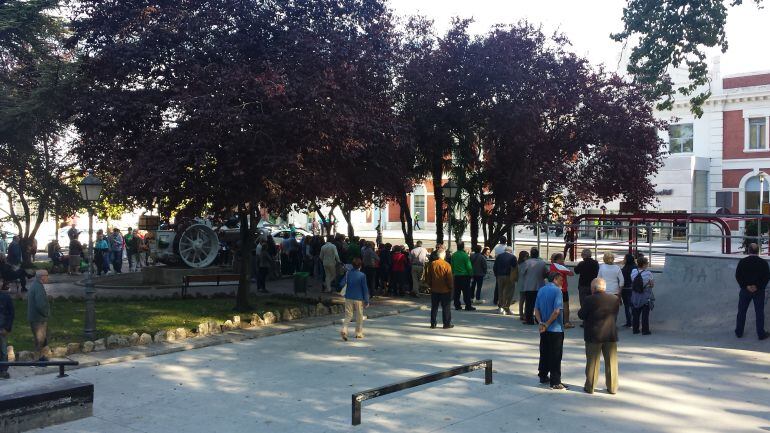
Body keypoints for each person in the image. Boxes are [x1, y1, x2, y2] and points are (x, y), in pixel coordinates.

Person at [578, 277, 620, 394]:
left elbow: (581, 315)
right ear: (604, 287)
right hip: (610, 334)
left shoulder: (589, 299)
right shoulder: (614, 299)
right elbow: (615, 314)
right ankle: (613, 387)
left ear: (593, 288)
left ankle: (590, 386)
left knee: (592, 362)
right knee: (611, 362)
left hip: (593, 335)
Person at [535, 272, 567, 390]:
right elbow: (557, 311)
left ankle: (543, 375)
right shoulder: (557, 291)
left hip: (543, 328)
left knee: (544, 352)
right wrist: (548, 324)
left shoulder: (541, 290)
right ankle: (555, 381)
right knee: (556, 355)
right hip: (555, 329)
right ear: (555, 279)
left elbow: (536, 309)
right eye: (561, 280)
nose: (562, 282)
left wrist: (541, 323)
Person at [734, 242, 769, 339]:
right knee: (759, 312)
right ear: (758, 251)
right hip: (758, 291)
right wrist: (757, 286)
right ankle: (761, 334)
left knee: (741, 311)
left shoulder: (742, 262)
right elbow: (766, 278)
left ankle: (739, 332)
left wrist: (746, 286)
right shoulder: (763, 263)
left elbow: (738, 276)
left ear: (748, 250)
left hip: (745, 291)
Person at [340, 258, 370, 341]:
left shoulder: (348, 273)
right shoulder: (362, 275)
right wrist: (366, 300)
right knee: (359, 316)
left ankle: (344, 329)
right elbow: (365, 288)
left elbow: (341, 283)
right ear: (360, 266)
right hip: (359, 298)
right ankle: (358, 333)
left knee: (348, 315)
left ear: (352, 265)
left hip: (348, 297)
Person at [424, 249, 454, 329]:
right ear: (443, 255)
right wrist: (451, 287)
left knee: (434, 307)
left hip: (435, 289)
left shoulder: (432, 264)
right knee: (446, 307)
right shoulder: (447, 265)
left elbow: (428, 276)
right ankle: (446, 323)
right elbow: (449, 278)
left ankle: (433, 323)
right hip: (445, 289)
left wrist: (430, 285)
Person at [27, 270, 50, 361]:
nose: (48, 277)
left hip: (36, 318)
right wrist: (46, 314)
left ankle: (41, 357)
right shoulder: (38, 287)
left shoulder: (36, 285)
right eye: (47, 275)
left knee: (41, 339)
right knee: (39, 340)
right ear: (42, 277)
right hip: (38, 319)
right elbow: (40, 304)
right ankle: (38, 359)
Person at [521, 247, 547, 324]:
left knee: (529, 304)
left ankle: (529, 320)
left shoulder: (527, 262)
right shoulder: (542, 263)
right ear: (538, 254)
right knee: (539, 304)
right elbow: (546, 273)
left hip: (529, 286)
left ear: (531, 254)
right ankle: (538, 319)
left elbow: (522, 273)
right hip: (540, 286)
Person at [630, 257, 655, 335]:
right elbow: (652, 284)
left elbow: (632, 281)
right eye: (647, 263)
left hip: (635, 295)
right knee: (645, 314)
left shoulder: (634, 271)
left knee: (636, 313)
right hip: (645, 296)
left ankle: (635, 329)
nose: (647, 265)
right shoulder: (648, 273)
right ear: (644, 264)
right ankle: (645, 330)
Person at [549, 253, 575, 328]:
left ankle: (553, 321)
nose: (563, 260)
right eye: (562, 259)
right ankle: (566, 322)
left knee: (554, 305)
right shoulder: (561, 267)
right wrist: (564, 266)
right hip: (562, 289)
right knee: (565, 305)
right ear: (558, 259)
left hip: (553, 288)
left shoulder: (552, 266)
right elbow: (571, 273)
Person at [493, 246, 517, 315]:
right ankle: (507, 308)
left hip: (500, 276)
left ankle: (500, 307)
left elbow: (495, 267)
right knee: (509, 292)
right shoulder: (513, 257)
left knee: (500, 291)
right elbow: (515, 268)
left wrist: (496, 275)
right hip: (509, 277)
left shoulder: (499, 256)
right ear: (511, 251)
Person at [451, 242, 475, 311]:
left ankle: (457, 305)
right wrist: (471, 275)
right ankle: (468, 306)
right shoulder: (465, 255)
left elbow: (452, 265)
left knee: (457, 292)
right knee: (466, 292)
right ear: (463, 247)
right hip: (465, 276)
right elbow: (469, 267)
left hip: (456, 276)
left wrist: (453, 273)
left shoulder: (454, 255)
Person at [619, 253, 637, 328]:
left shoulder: (624, 269)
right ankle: (635, 321)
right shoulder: (635, 268)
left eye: (624, 258)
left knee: (627, 306)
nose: (623, 260)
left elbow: (621, 280)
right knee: (634, 306)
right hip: (634, 289)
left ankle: (629, 322)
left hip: (626, 289)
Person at [0, 281, 13, 379]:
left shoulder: (6, 297)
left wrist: (7, 328)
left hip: (2, 328)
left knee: (3, 350)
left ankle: (3, 370)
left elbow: (11, 314)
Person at [516, 250, 530, 318]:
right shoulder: (525, 264)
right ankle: (523, 314)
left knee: (522, 299)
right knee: (525, 300)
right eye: (527, 256)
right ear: (523, 257)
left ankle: (521, 313)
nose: (528, 257)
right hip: (525, 283)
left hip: (521, 282)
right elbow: (523, 272)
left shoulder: (519, 263)